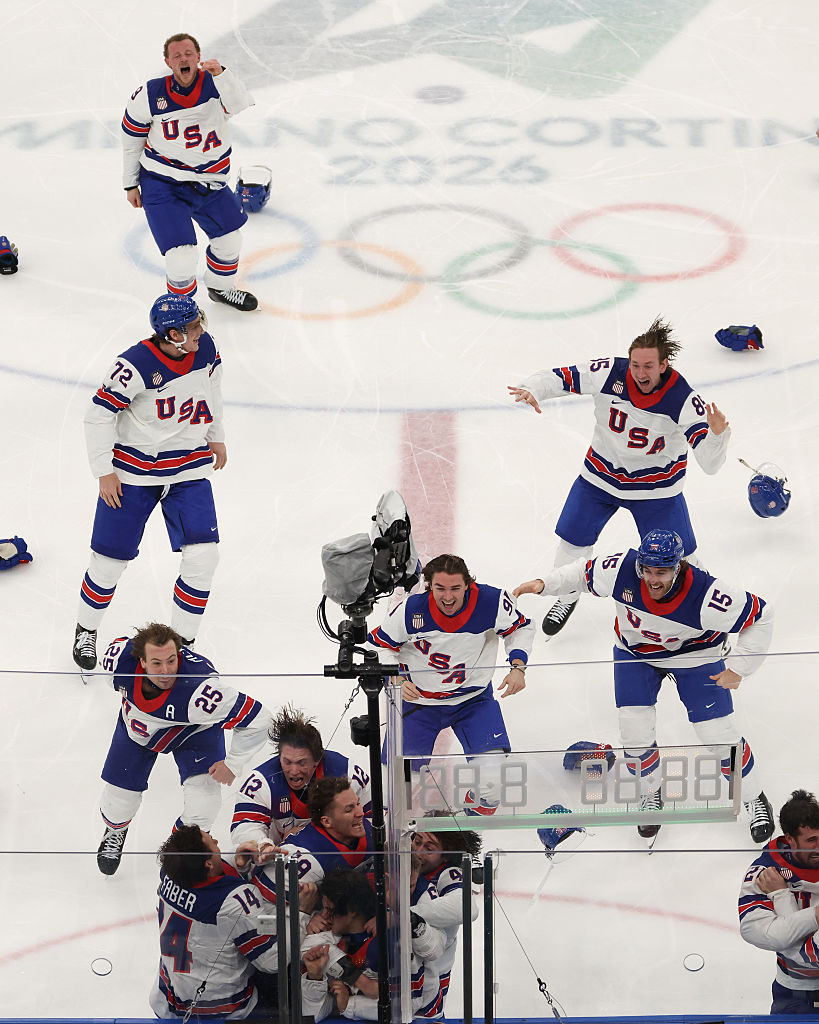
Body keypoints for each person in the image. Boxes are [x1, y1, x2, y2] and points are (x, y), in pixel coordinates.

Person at [514, 528, 775, 844]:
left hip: (695, 655)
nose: (653, 578)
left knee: (717, 734)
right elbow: (582, 574)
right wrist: (545, 585)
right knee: (634, 732)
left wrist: (740, 668)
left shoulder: (707, 594)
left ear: (677, 567)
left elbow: (761, 615)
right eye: (647, 569)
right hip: (635, 653)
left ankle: (752, 796)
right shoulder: (622, 568)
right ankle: (651, 793)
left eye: (662, 571)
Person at [508, 316, 730, 639]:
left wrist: (718, 436)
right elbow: (563, 377)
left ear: (664, 364)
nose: (640, 373)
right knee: (572, 539)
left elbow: (710, 464)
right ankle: (567, 595)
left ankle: (710, 625)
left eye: (649, 367)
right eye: (636, 365)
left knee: (683, 561)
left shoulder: (683, 399)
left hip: (656, 490)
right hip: (600, 477)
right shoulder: (609, 371)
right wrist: (533, 387)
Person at [72, 293, 225, 674]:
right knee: (108, 562)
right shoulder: (134, 365)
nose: (200, 331)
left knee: (204, 558)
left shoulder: (205, 347)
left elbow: (213, 390)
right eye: (191, 327)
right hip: (133, 475)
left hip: (188, 468)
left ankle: (181, 645)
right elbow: (97, 416)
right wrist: (103, 470)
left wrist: (216, 434)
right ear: (171, 334)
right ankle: (85, 629)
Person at [95, 622, 273, 875]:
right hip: (138, 731)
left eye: (171, 660)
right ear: (141, 662)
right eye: (157, 663)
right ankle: (115, 830)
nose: (167, 671)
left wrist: (233, 764)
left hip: (194, 732)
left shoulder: (202, 692)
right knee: (118, 801)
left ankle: (179, 856)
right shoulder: (117, 663)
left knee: (205, 806)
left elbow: (260, 719)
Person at [368, 553, 534, 815]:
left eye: (455, 588)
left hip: (472, 700)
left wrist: (518, 667)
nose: (448, 597)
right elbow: (378, 644)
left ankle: (465, 829)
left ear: (467, 584)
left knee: (492, 790)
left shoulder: (491, 602)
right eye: (440, 588)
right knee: (393, 794)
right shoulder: (411, 610)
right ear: (428, 586)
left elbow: (521, 628)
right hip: (418, 702)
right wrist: (394, 676)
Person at [122, 32, 258, 311]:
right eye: (177, 55)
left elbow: (240, 103)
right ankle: (182, 308)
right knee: (181, 257)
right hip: (163, 184)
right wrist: (130, 183)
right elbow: (131, 139)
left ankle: (221, 288)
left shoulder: (217, 83)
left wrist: (222, 74)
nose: (183, 59)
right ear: (168, 62)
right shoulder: (150, 93)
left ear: (198, 57)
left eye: (188, 53)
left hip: (211, 182)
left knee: (230, 240)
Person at [151, 824, 313, 1020]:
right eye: (212, 843)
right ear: (208, 864)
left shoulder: (170, 873)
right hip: (221, 1011)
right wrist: (302, 911)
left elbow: (206, 884)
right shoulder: (235, 901)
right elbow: (272, 960)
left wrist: (239, 865)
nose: (218, 842)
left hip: (167, 1000)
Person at [301, 866, 447, 1022]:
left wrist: (348, 1005)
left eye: (330, 910)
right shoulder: (328, 936)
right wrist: (315, 978)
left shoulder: (391, 940)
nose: (323, 916)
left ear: (352, 911)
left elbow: (407, 1007)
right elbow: (312, 1017)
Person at [231, 705, 372, 851]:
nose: (293, 771)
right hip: (284, 859)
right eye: (287, 761)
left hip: (341, 854)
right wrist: (264, 845)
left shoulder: (347, 772)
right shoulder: (260, 782)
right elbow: (244, 826)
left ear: (317, 760)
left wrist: (309, 836)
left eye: (301, 763)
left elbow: (374, 817)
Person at [739, 789, 819, 1014]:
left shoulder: (772, 883)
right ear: (790, 839)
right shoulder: (763, 872)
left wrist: (781, 896)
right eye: (811, 840)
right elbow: (758, 933)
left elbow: (793, 947)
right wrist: (815, 915)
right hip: (792, 990)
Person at [411, 824, 482, 1018]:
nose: (418, 851)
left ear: (445, 857)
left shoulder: (447, 873)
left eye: (429, 849)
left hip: (430, 979)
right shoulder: (407, 864)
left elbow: (467, 907)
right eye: (417, 841)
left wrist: (405, 917)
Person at [253, 777, 373, 889]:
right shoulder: (304, 856)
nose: (360, 813)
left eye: (357, 804)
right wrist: (304, 910)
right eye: (349, 809)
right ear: (326, 821)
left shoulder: (367, 828)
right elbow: (265, 907)